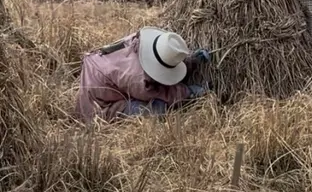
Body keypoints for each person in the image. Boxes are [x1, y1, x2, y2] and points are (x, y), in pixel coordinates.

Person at [75, 27, 211, 122]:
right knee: (155, 110)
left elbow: (163, 58)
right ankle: (113, 112)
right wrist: (188, 92)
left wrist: (190, 60)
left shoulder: (140, 42)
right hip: (97, 105)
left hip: (101, 68)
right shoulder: (136, 78)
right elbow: (159, 93)